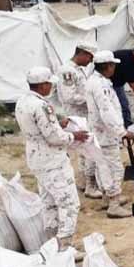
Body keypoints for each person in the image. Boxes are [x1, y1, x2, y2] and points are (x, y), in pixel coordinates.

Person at [14, 67, 89, 258]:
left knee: (49, 203)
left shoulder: (23, 102)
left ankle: (51, 243)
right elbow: (54, 137)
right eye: (49, 84)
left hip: (36, 158)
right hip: (52, 160)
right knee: (69, 203)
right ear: (42, 84)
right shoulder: (41, 106)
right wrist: (75, 136)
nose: (51, 87)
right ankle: (64, 246)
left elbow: (41, 128)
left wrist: (57, 122)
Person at [86, 50, 134, 219]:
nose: (114, 68)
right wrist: (122, 131)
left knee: (103, 166)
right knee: (114, 168)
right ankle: (113, 204)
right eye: (113, 65)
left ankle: (108, 198)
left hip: (99, 133)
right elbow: (107, 112)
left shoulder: (94, 81)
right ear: (108, 66)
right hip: (106, 134)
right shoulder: (101, 85)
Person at [58, 39, 101, 199]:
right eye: (89, 57)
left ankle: (84, 182)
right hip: (78, 116)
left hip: (83, 114)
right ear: (81, 53)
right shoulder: (67, 71)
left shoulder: (78, 69)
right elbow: (69, 97)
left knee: (84, 151)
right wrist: (90, 97)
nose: (90, 61)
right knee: (91, 150)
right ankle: (91, 185)